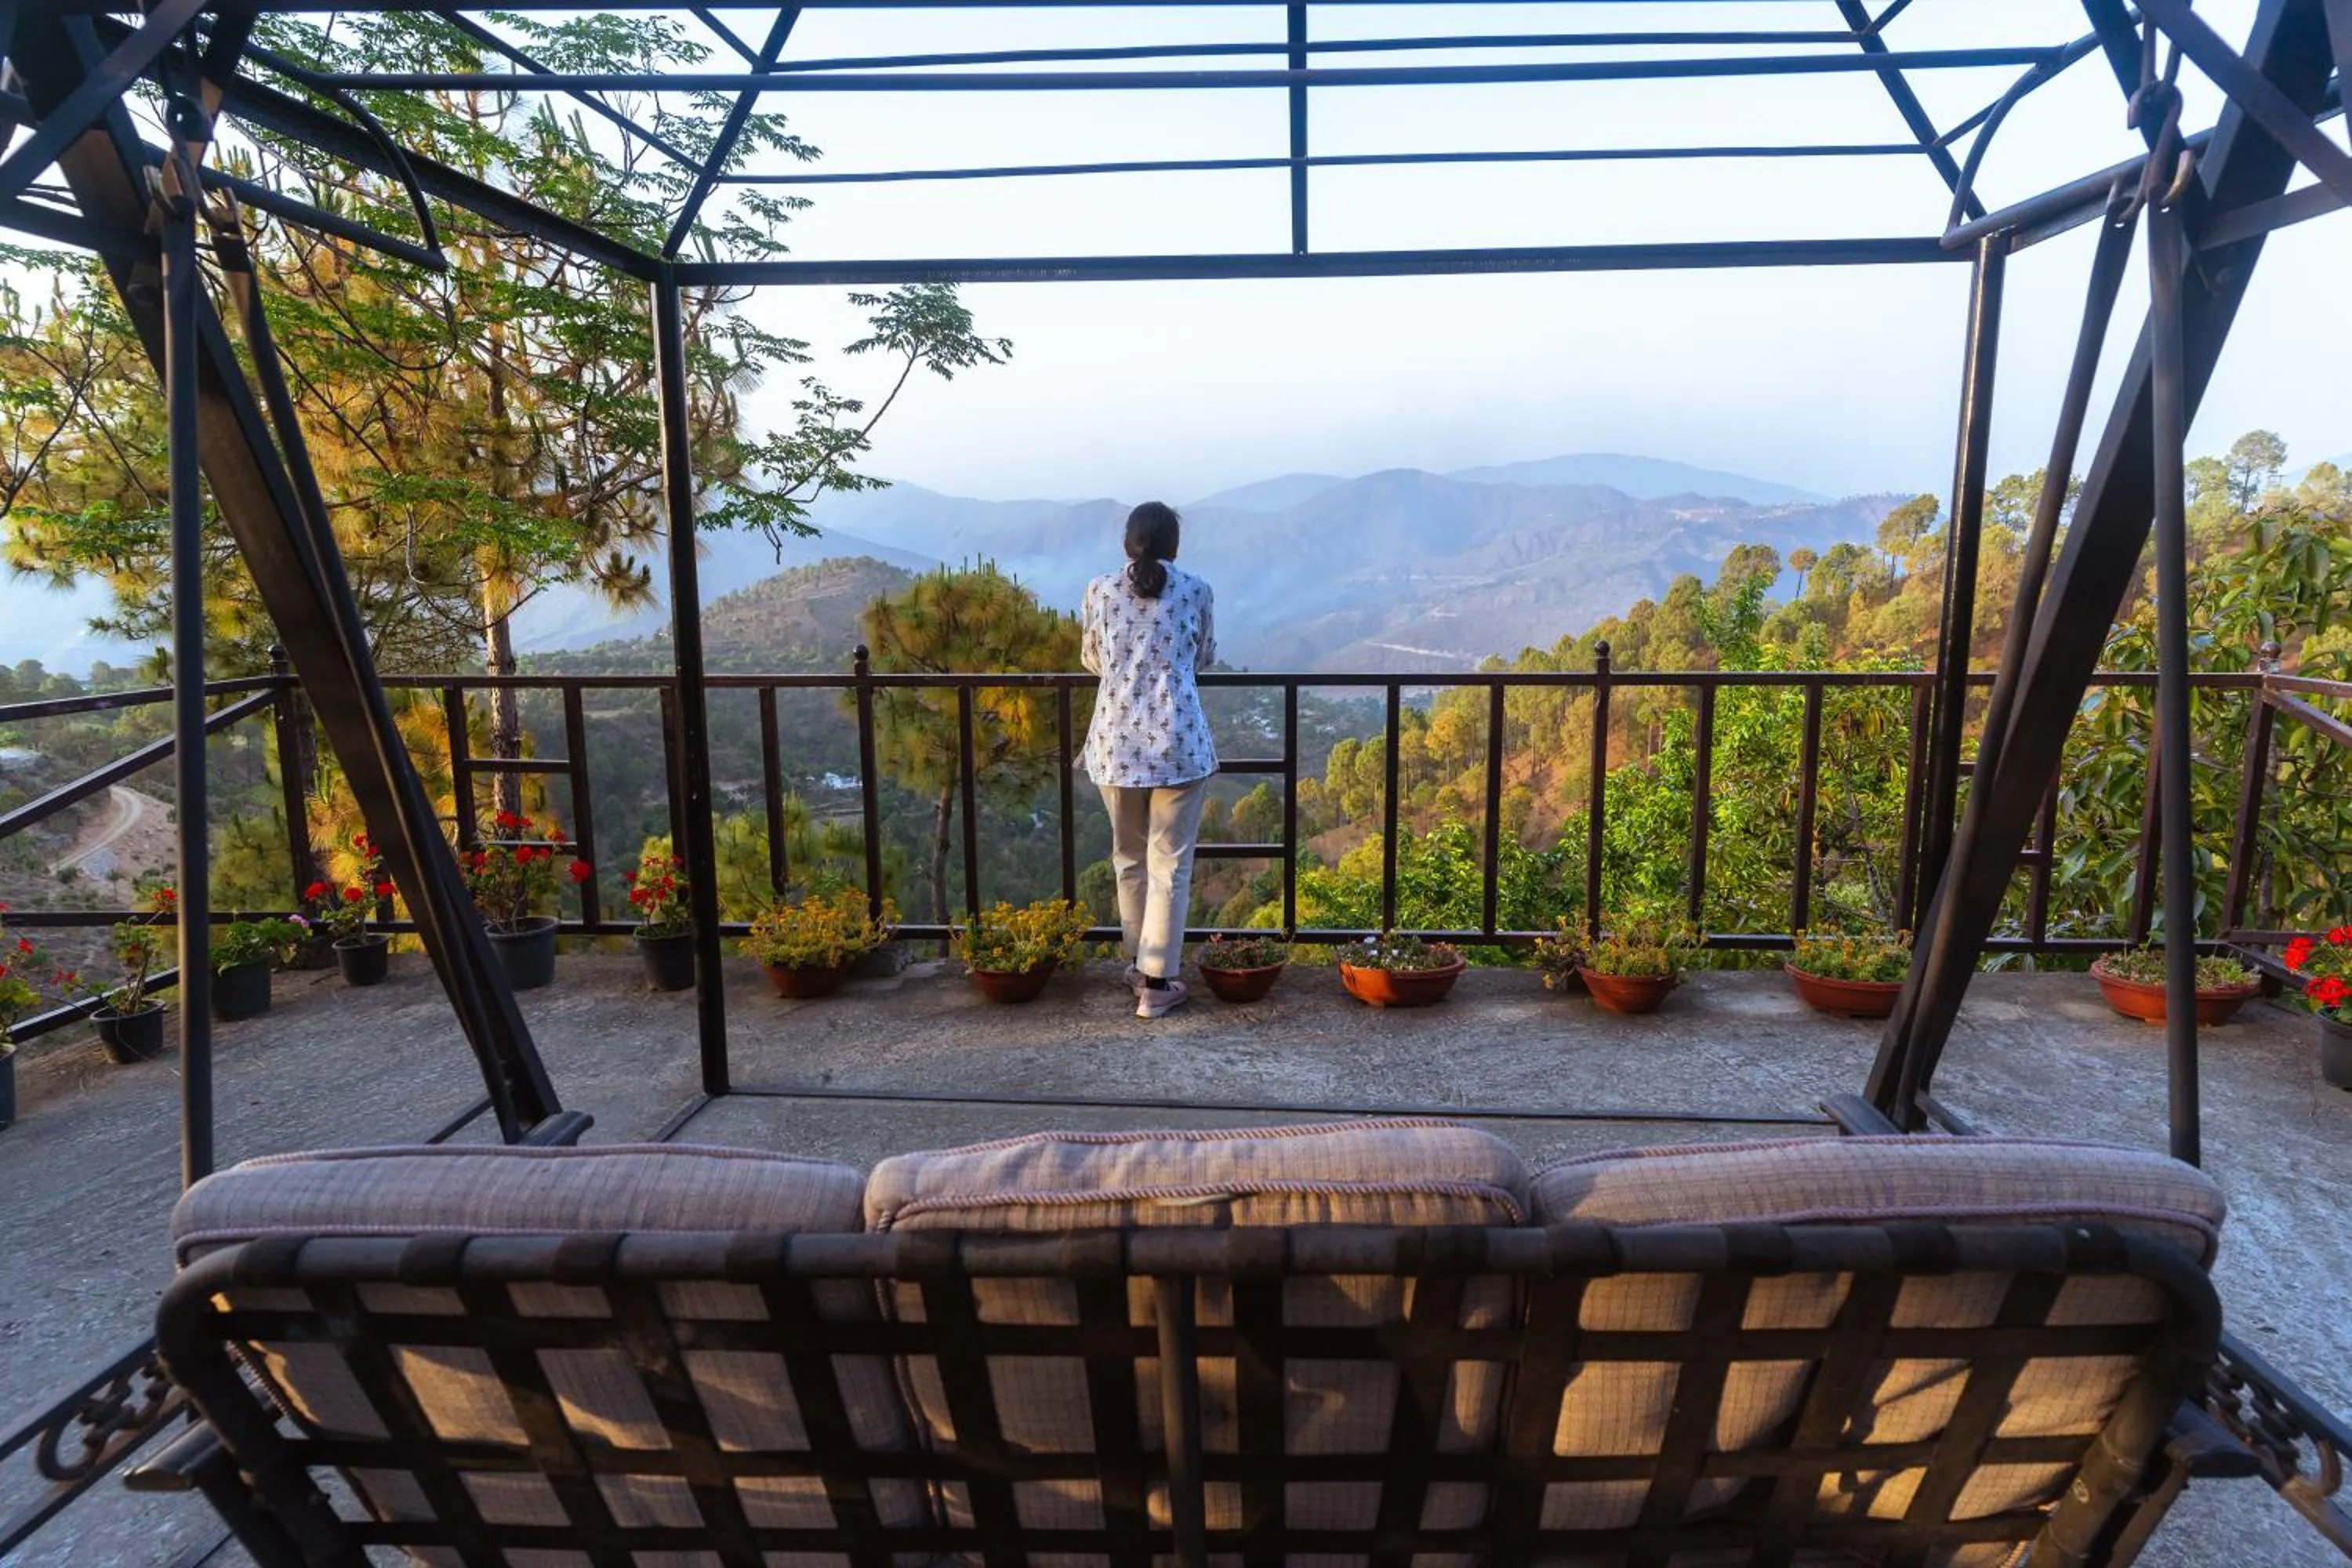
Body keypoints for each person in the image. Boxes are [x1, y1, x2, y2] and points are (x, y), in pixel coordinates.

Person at [1080, 500, 1216, 1018]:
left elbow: (1091, 658)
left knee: (1128, 860)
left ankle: (1139, 967)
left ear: (1128, 543)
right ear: (1173, 546)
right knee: (1170, 866)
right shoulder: (1197, 590)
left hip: (1115, 744)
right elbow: (1204, 656)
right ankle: (1158, 985)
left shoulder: (1099, 589)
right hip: (1178, 744)